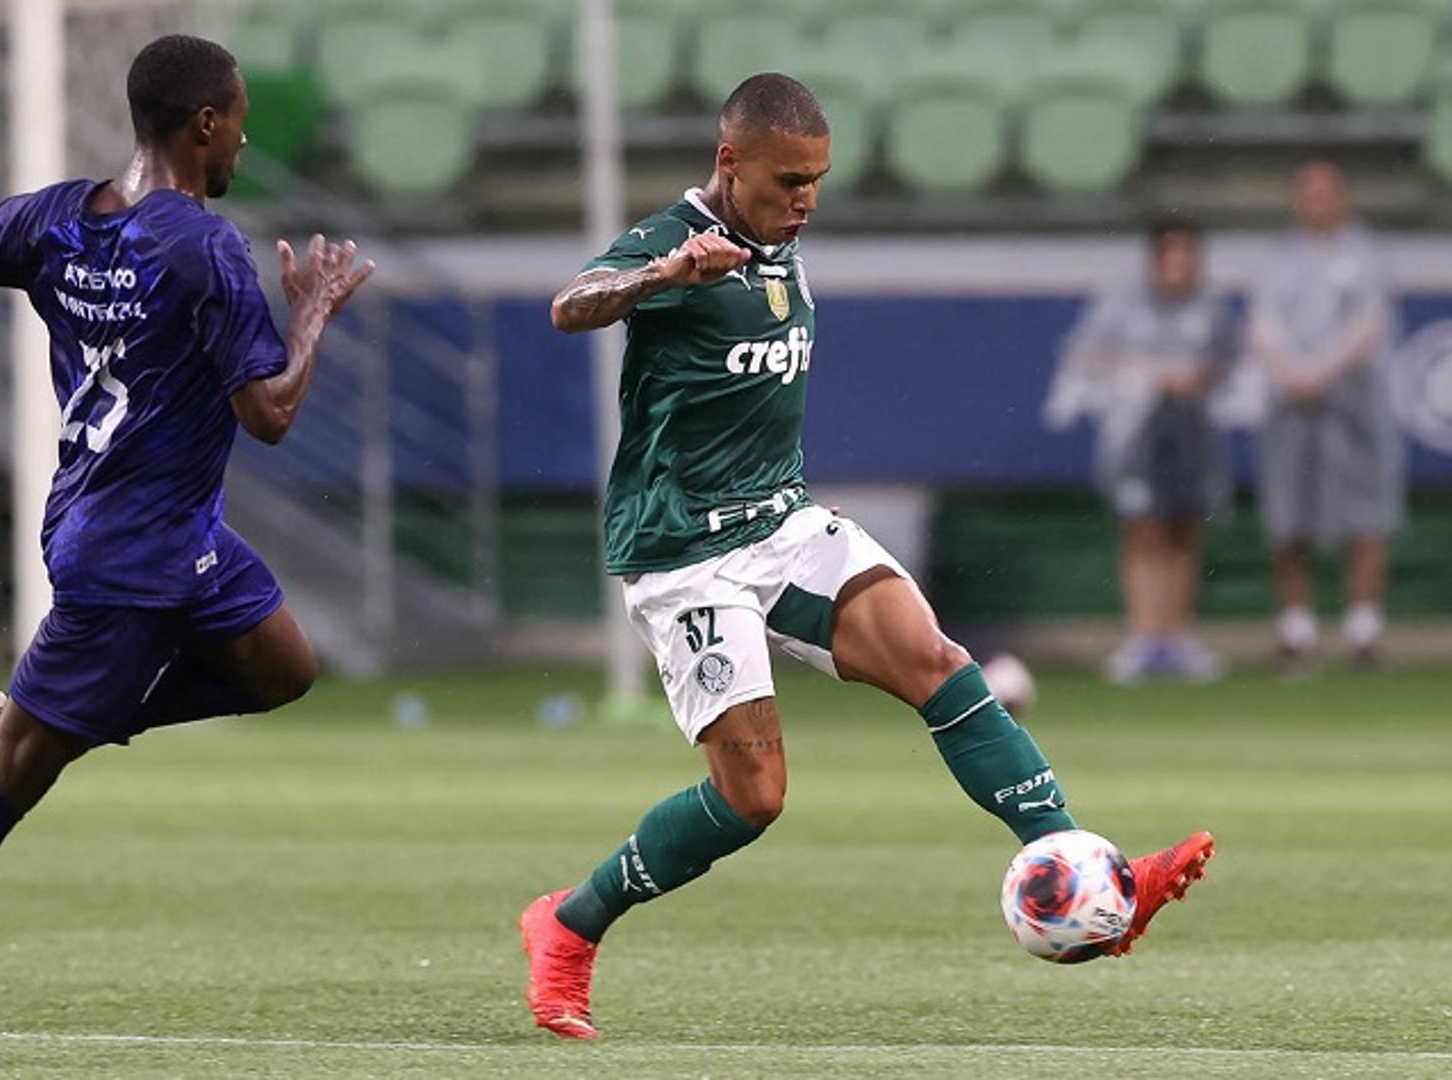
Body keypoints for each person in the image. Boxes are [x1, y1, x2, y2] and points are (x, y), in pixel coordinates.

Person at [519, 74, 1215, 1041]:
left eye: (818, 180)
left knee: (938, 662)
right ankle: (568, 924)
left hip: (784, 524)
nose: (805, 199)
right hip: (684, 551)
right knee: (754, 797)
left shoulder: (781, 238)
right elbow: (571, 305)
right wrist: (659, 279)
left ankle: (1088, 867)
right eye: (788, 180)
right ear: (730, 163)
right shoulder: (673, 244)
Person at [0, 36, 374, 1062]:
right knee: (15, 771)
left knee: (285, 667)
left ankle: (52, 711)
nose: (244, 135)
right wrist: (315, 316)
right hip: (128, 555)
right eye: (239, 118)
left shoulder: (60, 214)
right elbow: (272, 413)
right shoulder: (204, 248)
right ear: (206, 124)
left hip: (167, 529)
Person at [1045, 216, 1236, 683]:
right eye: (1170, 254)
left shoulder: (1211, 307)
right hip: (1136, 428)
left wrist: (1194, 379)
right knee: (1143, 528)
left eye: (1187, 255)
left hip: (1191, 426)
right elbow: (1088, 352)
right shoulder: (1122, 303)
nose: (1179, 265)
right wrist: (1143, 372)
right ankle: (1144, 635)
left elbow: (1227, 362)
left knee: (1184, 527)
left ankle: (1177, 635)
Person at [1248, 160, 1403, 670]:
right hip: (1292, 408)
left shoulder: (1366, 255)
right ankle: (1297, 631)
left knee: (1366, 514)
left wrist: (1321, 371)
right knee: (1291, 517)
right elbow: (1262, 323)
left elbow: (1370, 323)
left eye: (1325, 192)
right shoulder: (1278, 258)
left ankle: (1363, 630)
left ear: (1343, 196)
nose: (1317, 201)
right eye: (1307, 192)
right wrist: (1291, 373)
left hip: (1353, 409)